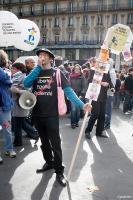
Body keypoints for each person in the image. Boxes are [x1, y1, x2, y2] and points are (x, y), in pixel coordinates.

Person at [23, 48, 91, 187]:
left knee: (56, 144)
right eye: (40, 55)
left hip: (51, 115)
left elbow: (68, 91)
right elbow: (26, 83)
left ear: (50, 59)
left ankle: (59, 171)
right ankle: (49, 162)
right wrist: (37, 68)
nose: (41, 57)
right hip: (37, 113)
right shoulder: (36, 71)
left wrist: (81, 105)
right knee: (44, 142)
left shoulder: (57, 72)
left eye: (44, 55)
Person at [85, 57, 114, 139]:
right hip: (95, 95)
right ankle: (88, 131)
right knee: (95, 114)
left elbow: (109, 80)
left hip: (104, 96)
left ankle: (99, 132)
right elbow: (90, 81)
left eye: (107, 62)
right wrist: (101, 83)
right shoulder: (94, 69)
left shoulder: (107, 71)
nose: (106, 63)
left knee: (102, 115)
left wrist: (112, 87)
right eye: (104, 61)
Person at [0, 50, 16, 162]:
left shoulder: (4, 72)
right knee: (7, 128)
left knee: (7, 128)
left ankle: (9, 149)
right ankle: (9, 149)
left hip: (3, 106)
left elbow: (7, 81)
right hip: (4, 105)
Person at [69, 64, 86, 128]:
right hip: (72, 94)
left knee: (78, 110)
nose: (77, 70)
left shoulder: (82, 77)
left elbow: (84, 87)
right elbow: (68, 86)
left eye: (78, 69)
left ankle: (77, 122)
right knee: (73, 109)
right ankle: (73, 123)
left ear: (80, 70)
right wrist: (68, 95)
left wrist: (82, 94)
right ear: (73, 69)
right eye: (75, 69)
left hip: (79, 95)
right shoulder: (70, 76)